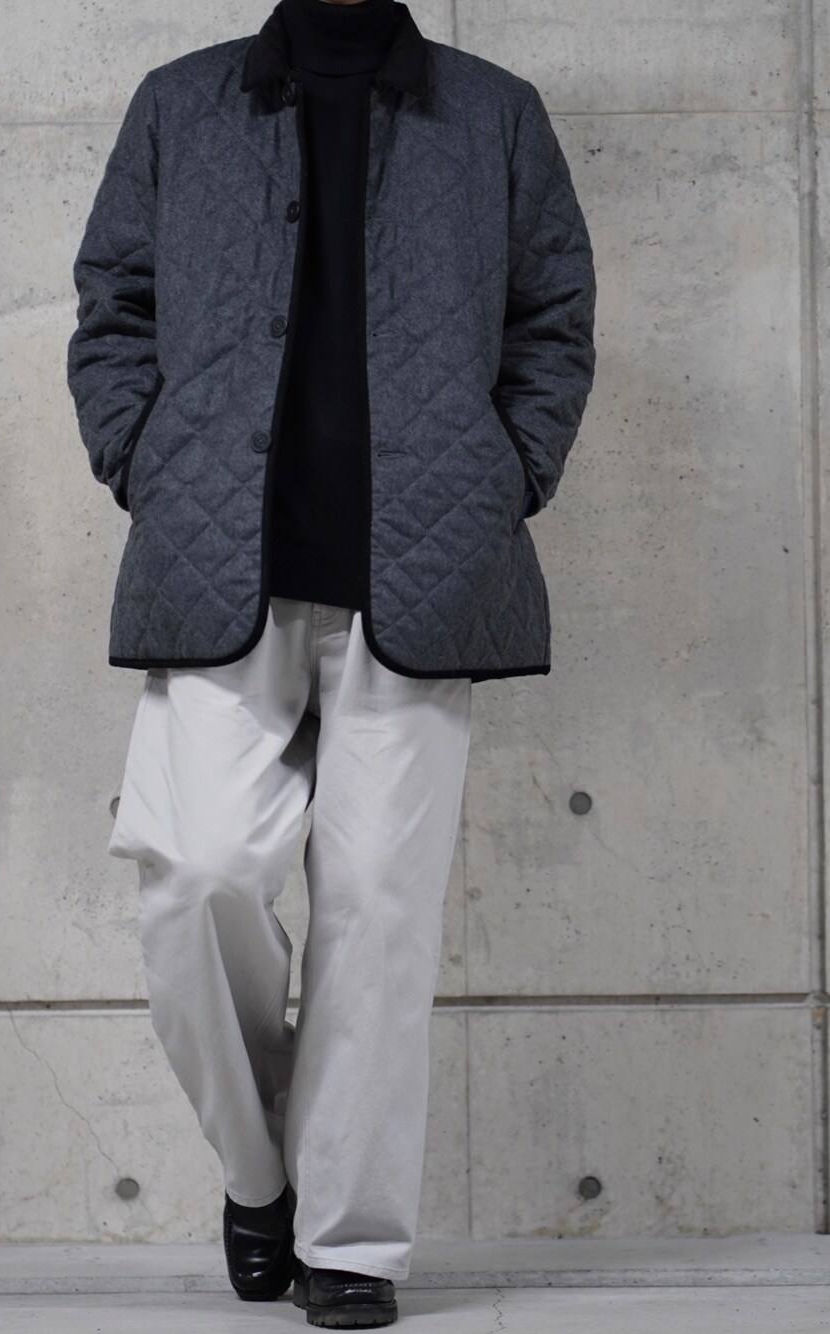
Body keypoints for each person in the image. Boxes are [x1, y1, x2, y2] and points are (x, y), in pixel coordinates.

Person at [66, 0, 596, 1325]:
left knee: (376, 912)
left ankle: (351, 1240)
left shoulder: (495, 113)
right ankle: (262, 1176)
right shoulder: (182, 104)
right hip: (218, 565)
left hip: (422, 573)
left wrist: (506, 476)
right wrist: (143, 461)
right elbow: (114, 302)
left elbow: (553, 314)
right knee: (198, 872)